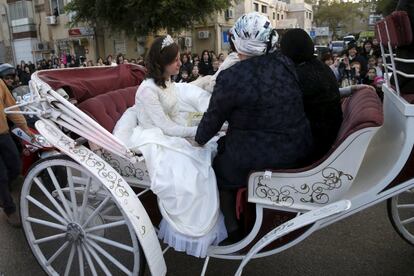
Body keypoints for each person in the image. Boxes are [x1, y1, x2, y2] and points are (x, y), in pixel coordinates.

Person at [195, 13, 313, 236]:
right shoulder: (285, 63)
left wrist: (198, 140)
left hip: (258, 154)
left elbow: (212, 121)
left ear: (237, 44)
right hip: (298, 145)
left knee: (218, 166)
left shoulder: (231, 76)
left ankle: (233, 230)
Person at [128, 35, 226, 257]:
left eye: (179, 59)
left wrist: (201, 125)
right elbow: (166, 128)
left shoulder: (168, 81)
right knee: (189, 167)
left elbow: (175, 114)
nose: (180, 64)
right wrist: (200, 131)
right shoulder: (147, 89)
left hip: (172, 128)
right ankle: (192, 227)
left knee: (209, 149)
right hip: (154, 135)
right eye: (175, 61)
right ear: (162, 63)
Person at [0, 63, 33, 227]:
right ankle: (9, 209)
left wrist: (26, 131)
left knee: (15, 165)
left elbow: (12, 109)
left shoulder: (0, 84)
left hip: (3, 134)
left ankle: (4, 190)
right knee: (1, 176)